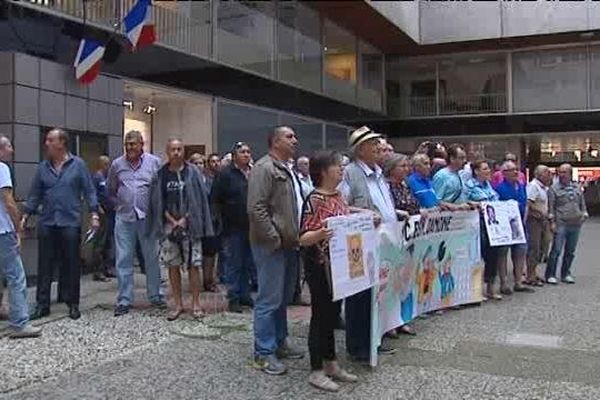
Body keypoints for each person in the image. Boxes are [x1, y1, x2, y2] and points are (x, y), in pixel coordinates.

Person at [23, 128, 99, 320]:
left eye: (50, 140)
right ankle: (42, 304)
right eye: (46, 140)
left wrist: (94, 213)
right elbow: (35, 194)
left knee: (71, 264)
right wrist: (25, 216)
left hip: (69, 221)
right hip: (48, 221)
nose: (46, 143)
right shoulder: (43, 167)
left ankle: (72, 303)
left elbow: (89, 191)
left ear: (62, 143)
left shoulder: (78, 165)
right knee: (45, 265)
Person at [248, 126, 304, 375]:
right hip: (271, 245)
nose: (295, 140)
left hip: (290, 244)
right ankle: (263, 352)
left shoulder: (286, 169)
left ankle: (280, 341)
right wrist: (274, 238)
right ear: (275, 142)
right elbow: (256, 208)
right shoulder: (264, 168)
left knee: (282, 298)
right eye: (289, 137)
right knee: (269, 299)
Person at [300, 151, 358, 392]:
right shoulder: (314, 200)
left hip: (340, 267)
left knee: (333, 314)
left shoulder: (338, 195)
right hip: (320, 266)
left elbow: (345, 218)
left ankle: (331, 362)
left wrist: (363, 215)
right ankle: (316, 369)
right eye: (337, 165)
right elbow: (303, 237)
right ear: (323, 171)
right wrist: (321, 234)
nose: (341, 169)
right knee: (321, 315)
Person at [339, 126, 395, 362]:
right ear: (361, 149)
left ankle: (373, 339)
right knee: (359, 297)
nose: (378, 149)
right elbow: (340, 207)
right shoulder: (350, 173)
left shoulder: (379, 172)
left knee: (377, 294)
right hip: (361, 245)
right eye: (373, 145)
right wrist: (363, 213)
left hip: (383, 243)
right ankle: (357, 346)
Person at [147, 138, 213, 320]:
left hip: (191, 227)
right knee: (172, 266)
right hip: (169, 227)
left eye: (179, 149)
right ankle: (177, 304)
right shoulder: (161, 174)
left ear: (183, 151)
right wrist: (171, 220)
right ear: (167, 152)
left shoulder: (193, 173)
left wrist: (186, 219)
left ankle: (196, 303)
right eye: (173, 149)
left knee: (194, 265)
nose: (176, 152)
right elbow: (157, 201)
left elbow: (199, 200)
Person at [108, 130, 165, 316]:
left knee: (151, 258)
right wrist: (118, 204)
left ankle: (156, 295)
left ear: (142, 144)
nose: (130, 147)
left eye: (133, 144)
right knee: (123, 259)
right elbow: (111, 189)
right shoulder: (117, 165)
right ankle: (124, 299)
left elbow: (160, 189)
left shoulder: (154, 163)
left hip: (147, 219)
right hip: (124, 218)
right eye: (127, 144)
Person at [0, 135, 42, 338]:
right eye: (8, 146)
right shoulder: (2, 169)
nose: (12, 150)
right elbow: (8, 202)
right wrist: (18, 228)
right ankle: (20, 323)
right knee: (16, 276)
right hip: (2, 230)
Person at [212, 142, 254, 313]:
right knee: (234, 263)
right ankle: (234, 297)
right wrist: (219, 220)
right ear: (234, 155)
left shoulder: (253, 173)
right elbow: (215, 199)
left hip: (251, 226)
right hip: (232, 226)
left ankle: (245, 294)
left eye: (248, 152)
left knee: (248, 262)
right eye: (242, 152)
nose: (246, 154)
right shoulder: (225, 174)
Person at [383, 153, 419, 336]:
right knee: (393, 280)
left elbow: (415, 206)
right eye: (402, 166)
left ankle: (404, 319)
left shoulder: (406, 185)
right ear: (392, 168)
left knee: (407, 279)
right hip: (393, 237)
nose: (407, 169)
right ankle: (390, 322)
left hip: (410, 236)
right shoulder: (386, 186)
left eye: (407, 166)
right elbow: (387, 210)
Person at [495, 161, 534, 294]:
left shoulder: (522, 186)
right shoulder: (499, 188)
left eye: (516, 169)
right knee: (503, 254)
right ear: (504, 173)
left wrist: (524, 218)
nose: (516, 172)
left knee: (520, 252)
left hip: (520, 224)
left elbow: (526, 203)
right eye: (512, 170)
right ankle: (504, 283)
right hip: (505, 225)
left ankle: (518, 281)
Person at [465, 160, 502, 300]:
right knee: (478, 256)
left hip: (492, 225)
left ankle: (491, 288)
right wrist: (475, 204)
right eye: (485, 169)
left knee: (493, 256)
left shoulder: (488, 185)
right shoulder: (469, 186)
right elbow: (464, 201)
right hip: (477, 225)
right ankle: (477, 290)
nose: (488, 171)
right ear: (476, 171)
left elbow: (495, 200)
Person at [545, 163, 588, 284]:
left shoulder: (576, 187)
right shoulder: (553, 189)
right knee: (556, 250)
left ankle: (566, 273)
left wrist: (584, 213)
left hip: (575, 223)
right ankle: (550, 274)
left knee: (570, 251)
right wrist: (552, 222)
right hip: (561, 223)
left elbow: (582, 203)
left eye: (564, 172)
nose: (561, 175)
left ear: (570, 173)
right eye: (560, 172)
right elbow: (551, 207)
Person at [525, 165, 552, 287]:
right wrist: (539, 212)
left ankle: (534, 272)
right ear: (540, 175)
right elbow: (528, 202)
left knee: (542, 247)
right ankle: (530, 275)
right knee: (534, 248)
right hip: (534, 221)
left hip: (542, 221)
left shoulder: (543, 188)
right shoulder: (533, 186)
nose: (549, 176)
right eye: (547, 173)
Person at [91, 155, 116, 282]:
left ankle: (108, 268)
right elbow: (93, 195)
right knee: (100, 242)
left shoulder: (108, 178)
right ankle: (98, 271)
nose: (108, 166)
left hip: (111, 213)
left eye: (109, 164)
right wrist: (97, 208)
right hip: (102, 213)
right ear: (100, 164)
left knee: (108, 242)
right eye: (106, 164)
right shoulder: (96, 177)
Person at [202, 153, 222, 291]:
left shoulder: (222, 179)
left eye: (217, 161)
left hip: (219, 220)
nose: (215, 164)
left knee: (215, 253)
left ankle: (212, 279)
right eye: (212, 161)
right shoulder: (205, 181)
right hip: (207, 220)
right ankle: (207, 280)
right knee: (208, 253)